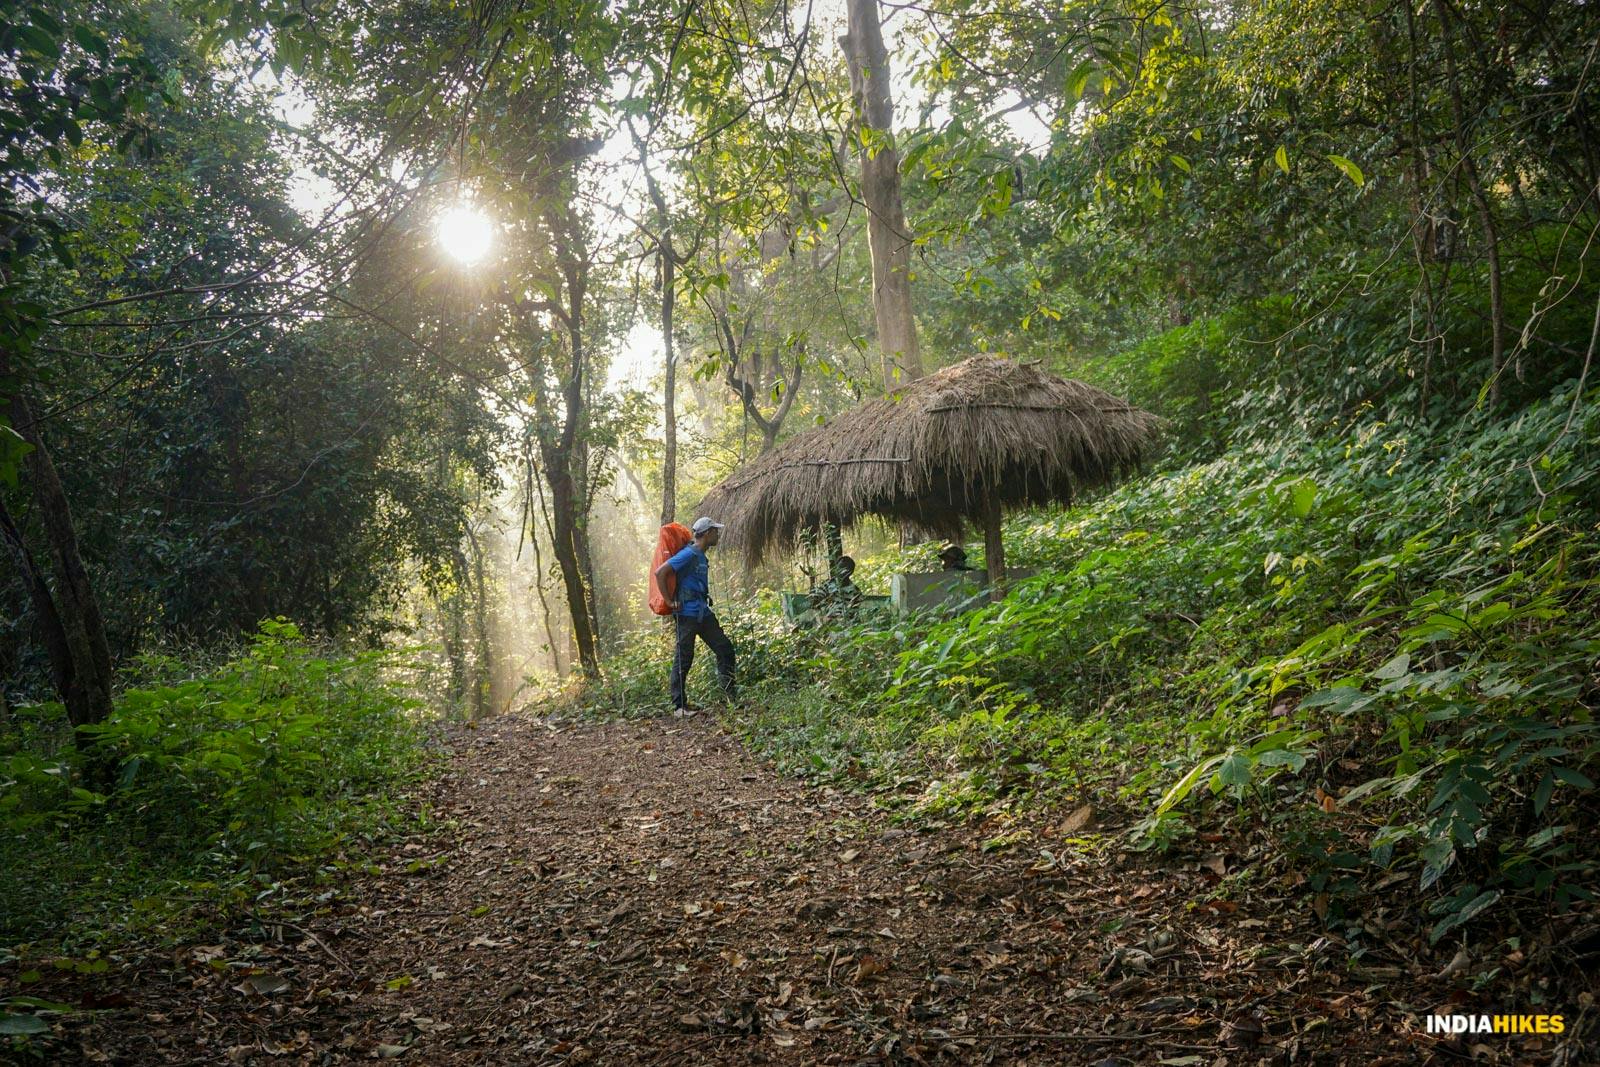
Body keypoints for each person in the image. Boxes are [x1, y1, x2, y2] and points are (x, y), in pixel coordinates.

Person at [654, 516, 736, 713]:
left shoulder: (700, 555)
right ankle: (678, 706)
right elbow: (661, 572)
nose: (718, 534)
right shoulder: (689, 554)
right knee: (684, 657)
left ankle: (730, 698)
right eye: (715, 531)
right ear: (707, 533)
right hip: (686, 614)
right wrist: (668, 601)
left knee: (724, 648)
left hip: (702, 612)